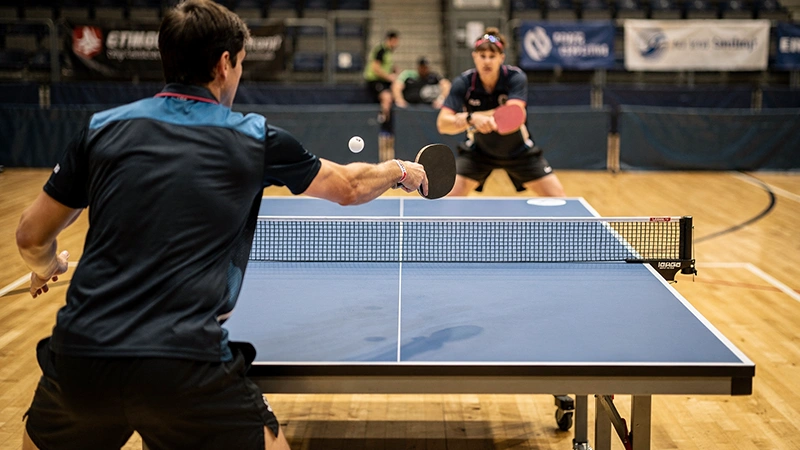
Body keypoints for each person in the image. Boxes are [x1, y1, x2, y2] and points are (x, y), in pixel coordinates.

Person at [15, 2, 426, 450]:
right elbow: (348, 186)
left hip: (81, 358)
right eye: (242, 63)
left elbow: (30, 236)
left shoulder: (101, 129)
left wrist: (49, 262)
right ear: (225, 63)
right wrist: (400, 169)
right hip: (183, 365)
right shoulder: (252, 137)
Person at [436, 28, 565, 197]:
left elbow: (515, 115)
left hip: (519, 151)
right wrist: (472, 118)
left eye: (492, 56)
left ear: (501, 58)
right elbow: (442, 124)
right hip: (478, 151)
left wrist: (475, 117)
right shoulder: (464, 82)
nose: (487, 61)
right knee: (449, 199)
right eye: (482, 56)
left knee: (559, 199)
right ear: (474, 56)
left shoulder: (515, 77)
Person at [363, 30, 399, 134]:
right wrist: (389, 77)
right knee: (387, 98)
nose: (396, 44)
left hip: (383, 81)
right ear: (391, 40)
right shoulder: (381, 50)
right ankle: (383, 124)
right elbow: (375, 68)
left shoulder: (389, 52)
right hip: (374, 80)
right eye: (395, 41)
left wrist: (393, 70)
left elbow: (385, 66)